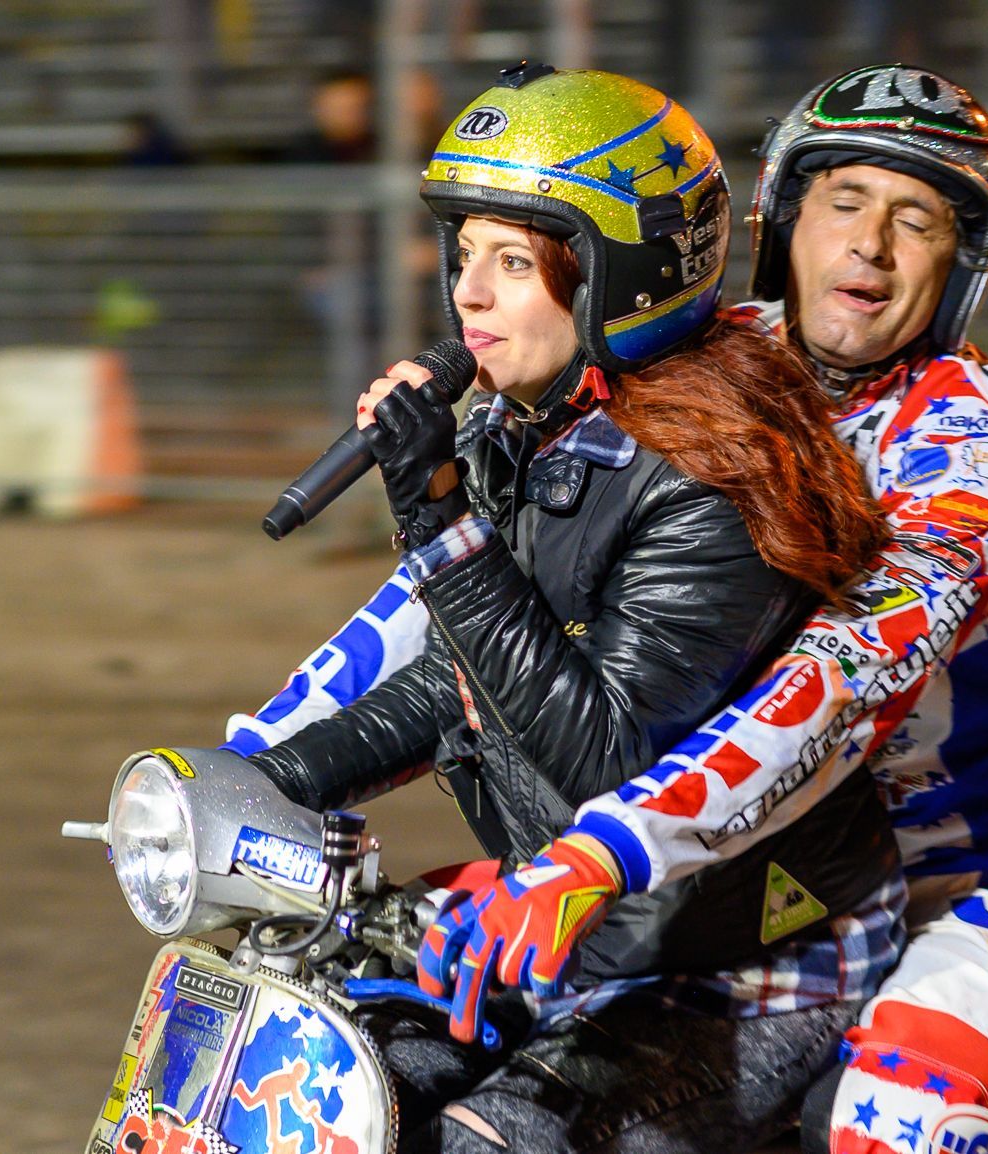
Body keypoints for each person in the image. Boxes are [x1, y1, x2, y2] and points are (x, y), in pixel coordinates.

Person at [420, 64, 988, 1154]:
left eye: (916, 221)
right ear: (782, 219)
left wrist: (606, 850)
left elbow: (833, 688)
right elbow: (485, 586)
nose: (870, 247)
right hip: (739, 872)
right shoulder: (694, 362)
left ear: (961, 264)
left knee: (889, 1128)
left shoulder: (965, 447)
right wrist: (258, 757)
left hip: (968, 881)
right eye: (845, 203)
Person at [228, 64, 904, 1153]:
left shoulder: (716, 470)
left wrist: (439, 518)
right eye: (463, 256)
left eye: (511, 262)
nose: (467, 294)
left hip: (746, 963)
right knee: (320, 1084)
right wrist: (265, 784)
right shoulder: (534, 426)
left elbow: (607, 758)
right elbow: (469, 684)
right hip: (583, 931)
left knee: (487, 1141)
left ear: (618, 278)